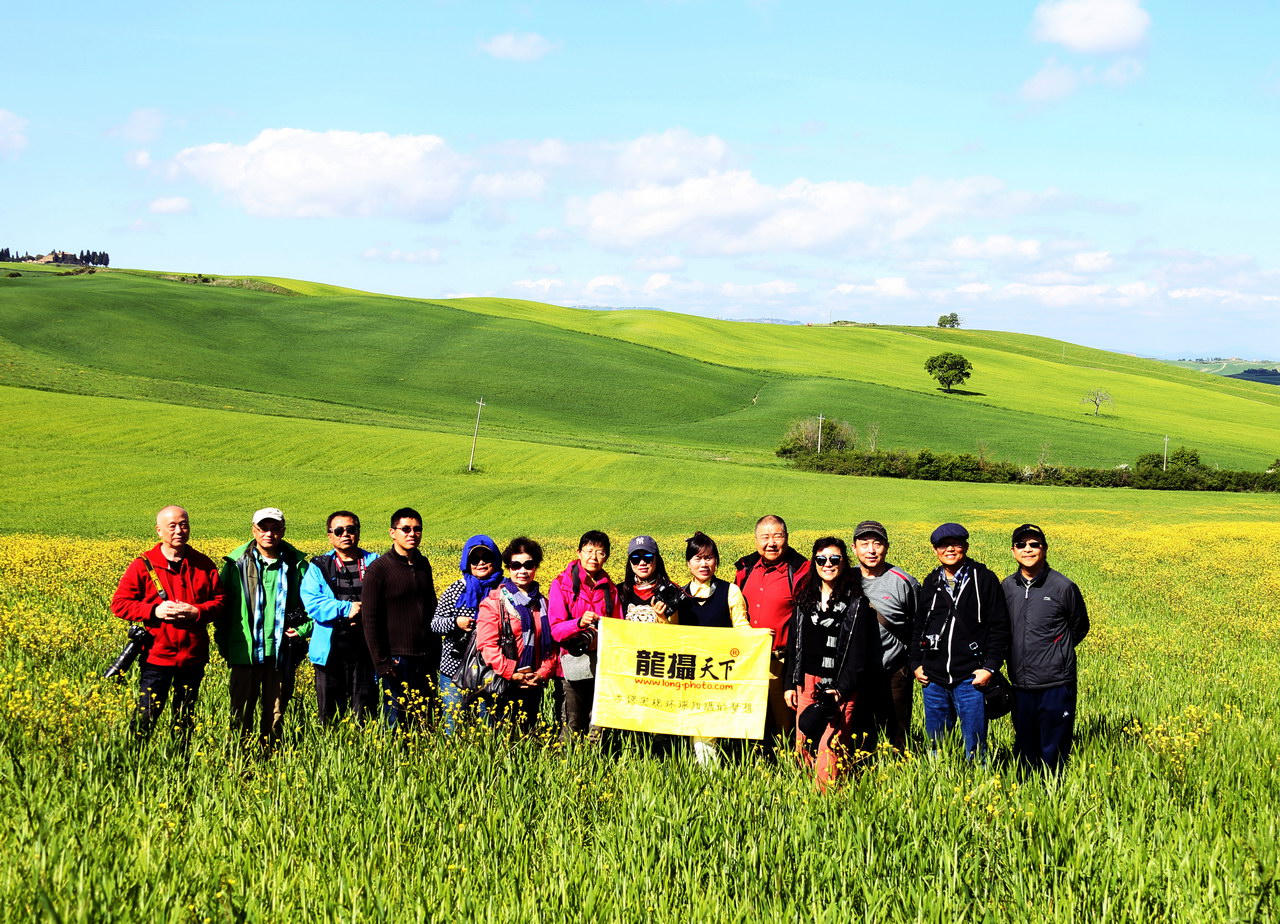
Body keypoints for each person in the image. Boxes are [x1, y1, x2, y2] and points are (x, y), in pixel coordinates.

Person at [109, 505, 224, 745]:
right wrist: (153, 610)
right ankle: (135, 760)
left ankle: (180, 764)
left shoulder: (203, 564)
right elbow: (119, 604)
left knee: (185, 718)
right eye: (172, 526)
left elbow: (220, 602)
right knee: (146, 715)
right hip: (156, 657)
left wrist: (198, 611)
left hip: (193, 657)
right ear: (159, 531)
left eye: (183, 524)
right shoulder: (143, 565)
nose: (179, 530)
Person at [783, 538, 880, 789]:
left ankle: (825, 797)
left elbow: (859, 654)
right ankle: (804, 789)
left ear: (844, 563)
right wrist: (790, 684)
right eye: (821, 559)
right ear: (814, 562)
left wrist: (841, 688)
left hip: (838, 684)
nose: (828, 564)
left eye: (834, 559)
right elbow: (795, 645)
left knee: (831, 742)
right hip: (806, 681)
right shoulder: (805, 600)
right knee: (803, 738)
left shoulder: (856, 604)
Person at [910, 523, 1010, 760]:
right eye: (943, 545)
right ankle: (939, 786)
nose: (950, 549)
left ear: (965, 546)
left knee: (975, 747)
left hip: (971, 679)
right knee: (936, 746)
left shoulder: (983, 579)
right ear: (935, 550)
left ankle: (977, 785)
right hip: (933, 679)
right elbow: (919, 627)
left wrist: (989, 668)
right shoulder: (931, 581)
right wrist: (916, 663)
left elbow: (999, 627)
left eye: (955, 544)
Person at [216, 507, 312, 751]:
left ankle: (270, 761)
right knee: (240, 713)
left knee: (275, 715)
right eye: (263, 528)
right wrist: (226, 646)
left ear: (283, 531)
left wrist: (302, 631)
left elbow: (313, 605)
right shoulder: (236, 564)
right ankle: (240, 761)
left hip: (281, 652)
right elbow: (222, 609)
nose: (269, 533)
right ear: (254, 530)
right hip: (244, 651)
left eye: (275, 528)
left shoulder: (297, 564)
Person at [1001, 524, 1089, 773]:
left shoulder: (1063, 586)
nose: (1027, 549)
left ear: (1045, 549)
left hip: (1056, 683)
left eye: (1034, 544)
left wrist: (1055, 652)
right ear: (1013, 551)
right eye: (1021, 545)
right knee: (1025, 744)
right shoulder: (1007, 587)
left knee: (1055, 747)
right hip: (1020, 682)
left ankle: (1054, 791)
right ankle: (1026, 791)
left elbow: (1079, 627)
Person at [734, 515, 810, 754]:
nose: (771, 543)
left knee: (783, 724)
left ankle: (786, 770)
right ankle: (753, 765)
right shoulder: (744, 569)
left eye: (777, 536)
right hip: (747, 661)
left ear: (786, 538)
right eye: (765, 537)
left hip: (781, 661)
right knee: (750, 720)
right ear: (755, 540)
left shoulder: (799, 570)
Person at [362, 507, 439, 731]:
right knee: (397, 720)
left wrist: (436, 650)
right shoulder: (379, 570)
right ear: (392, 532)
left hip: (425, 657)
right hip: (397, 660)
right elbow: (370, 619)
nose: (412, 534)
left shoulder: (423, 565)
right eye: (405, 529)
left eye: (417, 529)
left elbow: (431, 608)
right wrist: (382, 663)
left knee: (425, 721)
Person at [300, 511, 379, 726]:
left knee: (365, 708)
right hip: (330, 647)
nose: (346, 534)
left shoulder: (375, 563)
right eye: (339, 530)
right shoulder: (319, 566)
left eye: (351, 529)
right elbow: (312, 604)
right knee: (330, 712)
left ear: (358, 532)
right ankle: (332, 751)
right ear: (330, 535)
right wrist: (346, 609)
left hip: (366, 647)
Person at [680, 531, 750, 764]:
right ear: (688, 563)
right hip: (687, 671)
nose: (703, 564)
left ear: (716, 561)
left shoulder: (730, 591)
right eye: (697, 558)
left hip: (718, 670)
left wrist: (759, 638)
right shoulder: (679, 595)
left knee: (709, 721)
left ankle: (708, 771)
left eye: (708, 558)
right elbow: (669, 634)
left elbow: (741, 626)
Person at [852, 520, 920, 752]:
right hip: (856, 672)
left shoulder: (904, 582)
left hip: (895, 671)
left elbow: (918, 625)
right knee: (858, 732)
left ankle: (899, 772)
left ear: (887, 547)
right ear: (854, 548)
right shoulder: (845, 579)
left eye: (877, 544)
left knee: (898, 731)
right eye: (865, 544)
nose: (871, 550)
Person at [476, 537, 556, 735]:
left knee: (527, 737)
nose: (522, 571)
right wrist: (513, 673)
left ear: (536, 567)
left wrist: (542, 673)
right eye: (516, 565)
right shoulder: (494, 602)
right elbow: (487, 646)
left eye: (528, 565)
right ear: (508, 568)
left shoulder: (543, 603)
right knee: (502, 739)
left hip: (532, 683)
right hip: (503, 683)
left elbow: (552, 645)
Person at [547, 530, 622, 740]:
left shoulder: (611, 590)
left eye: (600, 553)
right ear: (579, 552)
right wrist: (578, 624)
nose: (594, 557)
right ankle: (566, 767)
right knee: (572, 724)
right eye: (589, 551)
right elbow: (555, 629)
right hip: (571, 665)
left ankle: (593, 767)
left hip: (601, 664)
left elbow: (618, 627)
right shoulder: (562, 584)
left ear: (606, 557)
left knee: (598, 724)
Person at [431, 534, 504, 733]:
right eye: (474, 559)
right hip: (454, 668)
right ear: (466, 562)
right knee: (453, 725)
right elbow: (435, 624)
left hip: (492, 669)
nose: (480, 563)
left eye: (486, 558)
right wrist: (456, 623)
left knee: (490, 726)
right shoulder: (456, 590)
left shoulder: (505, 589)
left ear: (495, 560)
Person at [617, 536, 680, 624]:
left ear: (657, 559)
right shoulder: (618, 591)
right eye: (635, 558)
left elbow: (677, 632)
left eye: (648, 557)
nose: (642, 563)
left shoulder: (671, 592)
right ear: (629, 562)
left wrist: (662, 619)